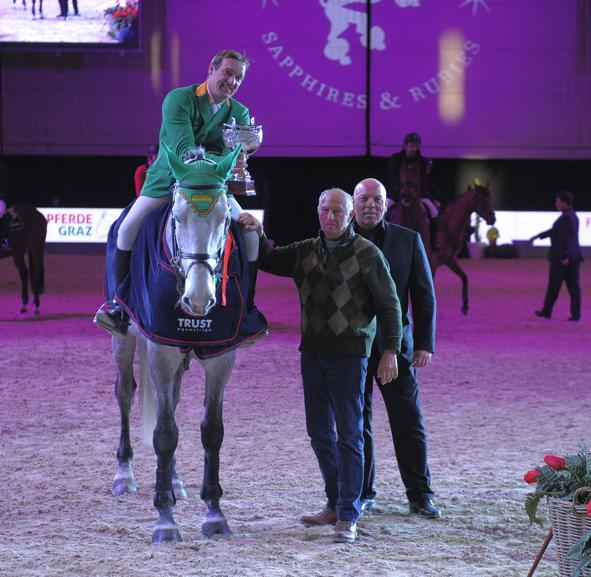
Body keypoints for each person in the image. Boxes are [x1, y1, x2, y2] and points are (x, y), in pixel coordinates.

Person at [243, 188, 403, 543]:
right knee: (319, 433)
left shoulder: (368, 254)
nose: (331, 217)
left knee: (349, 434)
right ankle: (334, 500)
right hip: (312, 353)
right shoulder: (305, 251)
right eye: (326, 210)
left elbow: (390, 305)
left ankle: (349, 513)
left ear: (349, 216)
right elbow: (269, 260)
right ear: (318, 212)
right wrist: (255, 229)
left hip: (350, 356)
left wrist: (391, 349)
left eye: (338, 211)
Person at [95, 49, 258, 336]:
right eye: (228, 73)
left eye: (238, 78)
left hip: (214, 188)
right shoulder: (178, 99)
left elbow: (234, 156)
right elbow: (183, 148)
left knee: (251, 235)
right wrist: (221, 159)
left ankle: (247, 309)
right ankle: (115, 306)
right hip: (169, 181)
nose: (232, 82)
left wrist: (239, 161)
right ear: (212, 69)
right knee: (127, 229)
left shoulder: (240, 112)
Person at [351, 178, 441, 519]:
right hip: (353, 349)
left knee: (408, 422)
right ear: (354, 203)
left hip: (397, 348)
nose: (370, 204)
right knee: (358, 423)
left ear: (386, 204)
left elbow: (424, 294)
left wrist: (424, 344)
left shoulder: (408, 240)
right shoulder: (339, 240)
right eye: (363, 198)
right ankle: (363, 492)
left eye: (377, 199)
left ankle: (420, 495)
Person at [530, 190, 583, 321]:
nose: (555, 203)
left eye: (558, 201)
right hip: (574, 256)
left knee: (554, 286)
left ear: (564, 202)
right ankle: (575, 314)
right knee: (573, 287)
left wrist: (565, 256)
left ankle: (547, 311)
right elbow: (557, 232)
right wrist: (539, 236)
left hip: (563, 258)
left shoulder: (566, 217)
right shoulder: (571, 215)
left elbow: (564, 239)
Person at [386, 132, 443, 251]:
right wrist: (399, 190)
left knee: (434, 213)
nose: (414, 149)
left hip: (418, 195)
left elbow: (425, 181)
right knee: (383, 212)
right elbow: (392, 177)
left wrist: (422, 195)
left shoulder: (422, 161)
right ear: (405, 145)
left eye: (416, 146)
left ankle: (433, 242)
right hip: (397, 194)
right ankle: (382, 240)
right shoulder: (395, 159)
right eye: (412, 146)